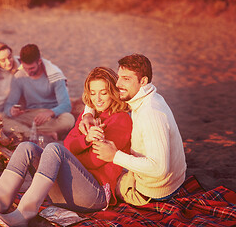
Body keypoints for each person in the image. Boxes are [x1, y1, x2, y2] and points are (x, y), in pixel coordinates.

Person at [0, 67, 132, 226]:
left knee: (54, 149)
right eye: (93, 93)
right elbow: (69, 145)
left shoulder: (121, 119)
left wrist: (68, 155)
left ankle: (24, 214)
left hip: (94, 196)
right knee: (27, 147)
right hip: (67, 193)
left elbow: (94, 162)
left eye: (103, 92)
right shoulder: (88, 116)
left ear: (113, 92)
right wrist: (85, 140)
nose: (97, 98)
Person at [80, 54, 187, 206]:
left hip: (153, 191)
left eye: (126, 79)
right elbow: (101, 91)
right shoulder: (145, 96)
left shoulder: (151, 114)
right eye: (119, 77)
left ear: (143, 81)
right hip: (171, 180)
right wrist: (88, 113)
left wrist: (115, 156)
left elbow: (159, 169)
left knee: (99, 179)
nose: (118, 84)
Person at [2, 44, 75, 141]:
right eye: (25, 67)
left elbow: (66, 105)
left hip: (53, 116)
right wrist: (11, 111)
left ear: (39, 61)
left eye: (31, 68)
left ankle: (27, 132)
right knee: (2, 120)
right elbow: (9, 104)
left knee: (69, 120)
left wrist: (50, 112)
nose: (28, 71)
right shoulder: (19, 76)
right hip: (31, 115)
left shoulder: (55, 75)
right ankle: (41, 133)